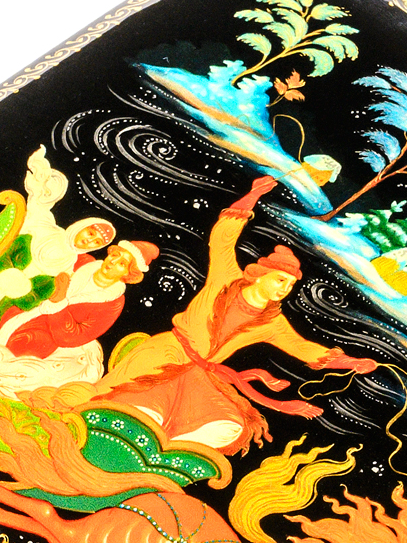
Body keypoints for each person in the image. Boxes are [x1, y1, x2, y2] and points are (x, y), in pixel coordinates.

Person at [85, 176, 376, 454]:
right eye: (280, 280)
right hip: (168, 354)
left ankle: (166, 450)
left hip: (200, 374)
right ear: (259, 275)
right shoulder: (226, 277)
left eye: (289, 285)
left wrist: (351, 363)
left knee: (228, 424)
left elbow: (302, 348)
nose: (284, 289)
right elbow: (223, 239)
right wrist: (253, 195)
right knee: (118, 397)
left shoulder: (272, 322)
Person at [0, 239, 158, 358]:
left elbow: (72, 338)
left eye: (122, 264)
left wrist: (59, 303)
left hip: (40, 337)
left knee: (22, 348)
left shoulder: (113, 303)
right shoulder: (83, 262)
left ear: (128, 275)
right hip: (17, 313)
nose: (113, 261)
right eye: (115, 255)